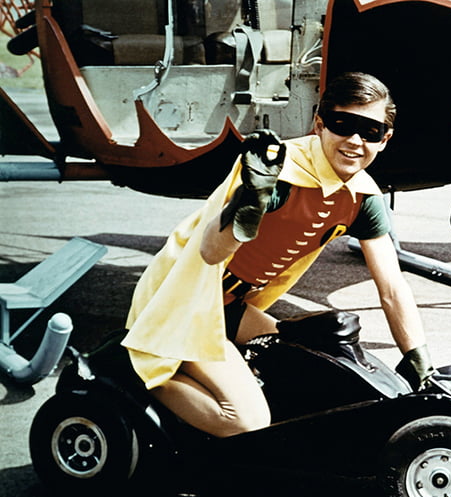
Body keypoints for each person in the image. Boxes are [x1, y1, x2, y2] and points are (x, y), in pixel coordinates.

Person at [122, 72, 434, 438]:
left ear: (385, 138)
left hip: (230, 309)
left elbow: (392, 288)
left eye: (370, 131)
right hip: (183, 302)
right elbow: (209, 251)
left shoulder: (363, 197)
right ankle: (134, 375)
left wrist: (419, 358)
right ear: (319, 123)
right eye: (342, 124)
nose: (354, 141)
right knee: (245, 421)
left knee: (319, 363)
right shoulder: (277, 171)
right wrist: (249, 204)